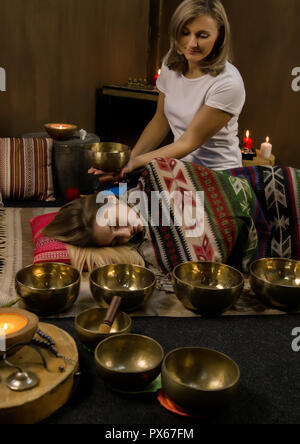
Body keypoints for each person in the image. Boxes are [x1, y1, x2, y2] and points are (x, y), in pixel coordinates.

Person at [89, 0, 245, 184]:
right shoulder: (171, 66)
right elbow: (160, 120)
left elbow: (187, 142)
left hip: (220, 177)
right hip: (182, 169)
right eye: (185, 33)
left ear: (219, 37)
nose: (192, 43)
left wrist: (136, 163)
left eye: (202, 35)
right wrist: (127, 161)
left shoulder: (228, 83)